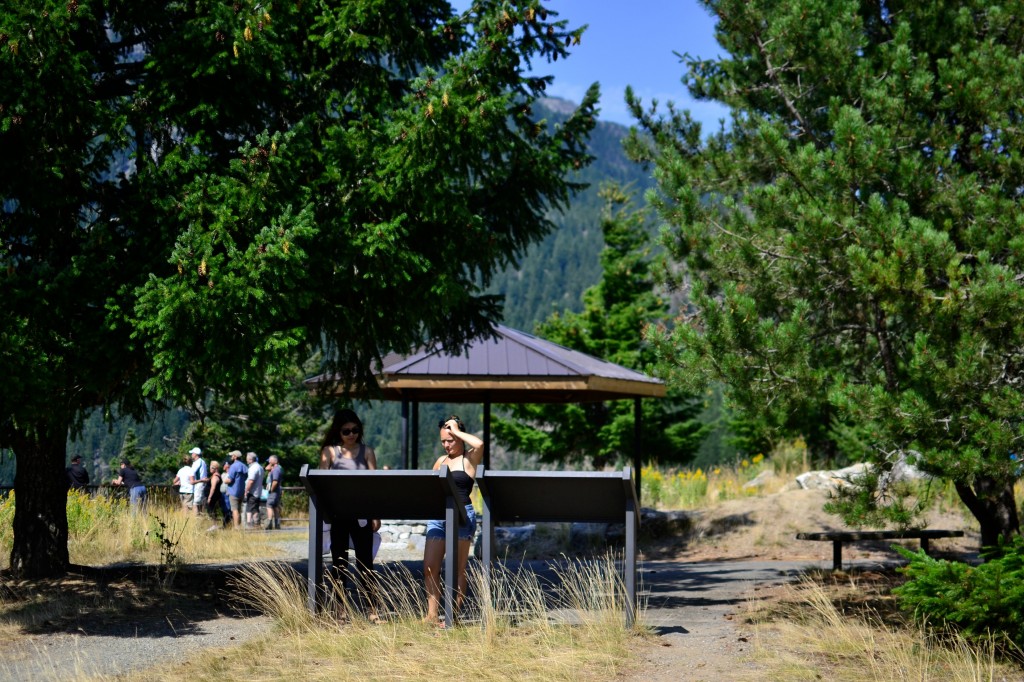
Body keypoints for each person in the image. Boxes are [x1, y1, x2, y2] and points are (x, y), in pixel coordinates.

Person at [319, 409, 380, 618]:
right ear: (339, 431)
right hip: (338, 515)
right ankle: (340, 608)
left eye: (355, 430)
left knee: (365, 562)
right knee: (339, 563)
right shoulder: (329, 452)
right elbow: (322, 483)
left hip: (362, 514)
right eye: (346, 431)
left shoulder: (368, 452)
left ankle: (372, 608)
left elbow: (375, 485)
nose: (351, 434)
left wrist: (376, 514)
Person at [423, 415, 483, 626]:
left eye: (451, 440)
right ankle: (431, 615)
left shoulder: (469, 458)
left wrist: (456, 430)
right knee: (430, 566)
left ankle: (452, 615)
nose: (447, 445)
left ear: (459, 438)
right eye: (443, 441)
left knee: (457, 569)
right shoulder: (441, 461)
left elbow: (479, 443)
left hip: (462, 515)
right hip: (438, 517)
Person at [223, 450, 247, 528]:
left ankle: (236, 527)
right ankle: (239, 525)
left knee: (234, 510)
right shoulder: (244, 466)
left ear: (235, 457)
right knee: (239, 510)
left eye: (232, 455)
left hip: (233, 491)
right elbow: (246, 477)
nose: (231, 457)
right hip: (241, 491)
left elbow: (230, 479)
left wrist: (224, 480)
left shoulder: (233, 466)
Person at [206, 460, 231, 529]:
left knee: (211, 510)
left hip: (213, 496)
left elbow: (213, 488)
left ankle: (215, 525)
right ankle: (215, 524)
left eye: (212, 468)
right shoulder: (214, 476)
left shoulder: (215, 477)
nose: (210, 469)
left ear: (216, 468)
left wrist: (209, 497)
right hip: (215, 496)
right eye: (210, 467)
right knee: (212, 510)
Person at [244, 451, 264, 528]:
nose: (246, 460)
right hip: (258, 491)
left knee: (250, 508)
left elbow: (251, 481)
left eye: (247, 459)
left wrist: (246, 490)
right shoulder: (260, 467)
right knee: (255, 508)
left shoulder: (253, 468)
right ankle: (256, 523)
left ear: (251, 460)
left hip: (253, 492)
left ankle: (252, 524)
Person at [264, 455, 283, 530]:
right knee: (275, 506)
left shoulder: (276, 470)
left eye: (270, 460)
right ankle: (277, 524)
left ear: (275, 461)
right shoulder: (277, 468)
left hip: (274, 491)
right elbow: (266, 468)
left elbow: (275, 481)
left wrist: (271, 490)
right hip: (276, 491)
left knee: (269, 505)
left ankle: (269, 524)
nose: (269, 461)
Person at [189, 447, 209, 516]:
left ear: (196, 454)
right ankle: (201, 518)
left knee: (195, 504)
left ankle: (196, 519)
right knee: (201, 504)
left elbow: (191, 474)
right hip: (202, 484)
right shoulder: (203, 462)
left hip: (199, 485)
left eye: (192, 453)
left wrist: (193, 481)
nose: (191, 454)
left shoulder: (197, 463)